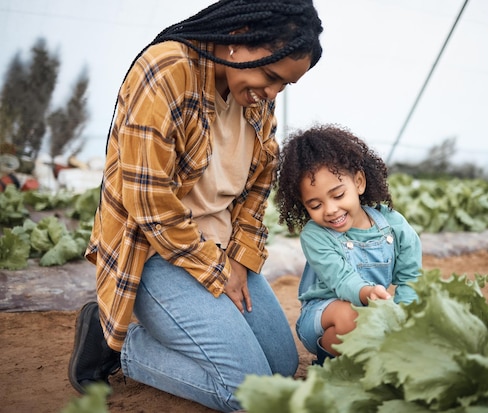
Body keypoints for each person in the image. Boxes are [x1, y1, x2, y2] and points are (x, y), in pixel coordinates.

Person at [67, 1, 323, 411]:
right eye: (271, 76)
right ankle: (121, 346)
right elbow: (150, 205)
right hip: (151, 252)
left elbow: (259, 183)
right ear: (239, 39)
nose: (272, 94)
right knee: (250, 397)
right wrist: (217, 269)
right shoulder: (167, 71)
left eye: (283, 86)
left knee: (281, 367)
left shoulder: (256, 95)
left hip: (219, 247)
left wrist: (239, 256)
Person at [274, 124, 422, 365]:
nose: (331, 210)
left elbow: (410, 278)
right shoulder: (315, 235)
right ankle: (328, 363)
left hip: (372, 313)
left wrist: (403, 319)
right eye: (315, 205)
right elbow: (342, 280)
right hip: (323, 316)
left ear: (359, 183)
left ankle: (368, 360)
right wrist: (367, 293)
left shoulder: (394, 225)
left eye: (338, 195)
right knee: (350, 316)